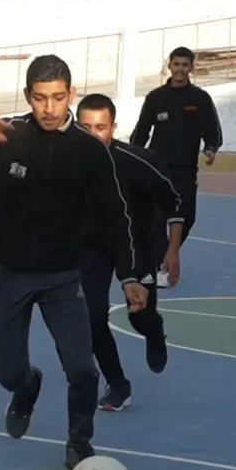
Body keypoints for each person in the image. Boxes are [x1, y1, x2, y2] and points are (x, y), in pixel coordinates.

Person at [0, 55, 147, 470]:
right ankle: (27, 388)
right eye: (40, 98)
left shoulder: (88, 150)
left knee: (83, 369)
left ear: (70, 95)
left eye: (57, 98)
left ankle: (79, 443)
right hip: (5, 273)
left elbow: (115, 215)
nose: (49, 108)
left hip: (61, 277)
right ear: (27, 97)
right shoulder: (7, 137)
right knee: (8, 371)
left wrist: (130, 275)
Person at [75, 94, 185, 409]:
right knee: (91, 317)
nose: (92, 135)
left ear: (113, 127)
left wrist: (173, 249)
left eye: (100, 127)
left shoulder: (138, 161)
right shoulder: (69, 161)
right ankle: (118, 384)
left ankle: (154, 330)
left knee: (140, 318)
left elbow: (175, 202)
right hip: (92, 248)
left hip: (136, 247)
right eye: (85, 128)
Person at [130, 46, 221, 276]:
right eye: (176, 64)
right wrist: (131, 156)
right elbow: (141, 131)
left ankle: (165, 256)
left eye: (185, 65)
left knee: (186, 218)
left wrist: (210, 148)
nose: (180, 69)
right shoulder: (155, 97)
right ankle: (159, 263)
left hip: (186, 170)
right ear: (169, 65)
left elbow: (212, 129)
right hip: (157, 169)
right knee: (157, 221)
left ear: (192, 67)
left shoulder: (200, 98)